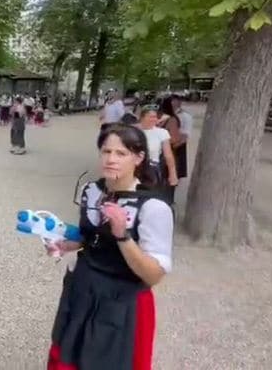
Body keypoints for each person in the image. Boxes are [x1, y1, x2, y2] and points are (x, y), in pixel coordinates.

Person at [46, 123, 174, 370]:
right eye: (106, 151)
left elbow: (153, 274)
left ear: (138, 158)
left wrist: (122, 236)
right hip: (82, 290)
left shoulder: (154, 208)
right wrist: (64, 244)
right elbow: (90, 237)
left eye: (121, 153)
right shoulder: (92, 190)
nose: (111, 159)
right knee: (67, 357)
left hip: (122, 300)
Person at [137, 106, 178, 204]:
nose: (153, 119)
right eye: (150, 117)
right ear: (142, 118)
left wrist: (173, 174)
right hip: (134, 168)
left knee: (150, 198)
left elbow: (168, 155)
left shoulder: (162, 132)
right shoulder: (134, 131)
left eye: (155, 117)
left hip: (152, 169)